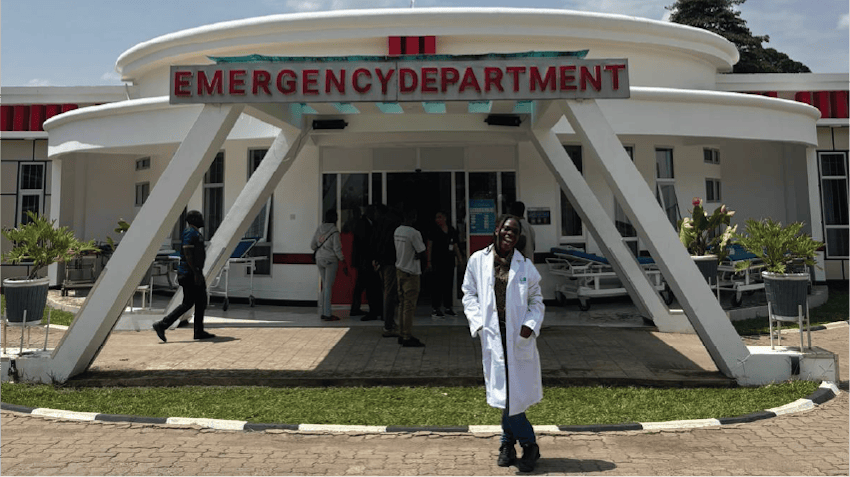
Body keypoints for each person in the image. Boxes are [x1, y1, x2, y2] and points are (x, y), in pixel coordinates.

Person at [461, 214, 545, 472]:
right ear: (497, 229)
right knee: (507, 395)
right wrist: (478, 324)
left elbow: (536, 301)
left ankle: (519, 444)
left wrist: (529, 326)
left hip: (518, 338)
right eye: (506, 229)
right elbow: (469, 294)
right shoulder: (477, 260)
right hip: (493, 337)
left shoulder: (525, 266)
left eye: (515, 231)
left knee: (512, 396)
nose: (510, 234)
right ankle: (513, 443)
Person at [152, 210, 216, 342]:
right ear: (192, 219)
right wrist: (196, 273)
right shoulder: (189, 233)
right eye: (199, 218)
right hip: (190, 273)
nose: (202, 220)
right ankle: (162, 325)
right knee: (188, 303)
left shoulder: (195, 232)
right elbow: (187, 252)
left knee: (201, 301)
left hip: (194, 272)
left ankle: (198, 331)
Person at [393, 208, 427, 347]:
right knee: (409, 305)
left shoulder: (397, 231)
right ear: (412, 218)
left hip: (399, 269)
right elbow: (421, 251)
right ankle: (407, 335)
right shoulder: (414, 233)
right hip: (411, 271)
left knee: (402, 303)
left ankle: (401, 332)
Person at [426, 211, 464, 318]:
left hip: (449, 260)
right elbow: (430, 245)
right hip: (437, 261)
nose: (438, 220)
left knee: (448, 284)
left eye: (440, 217)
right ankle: (436, 307)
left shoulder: (451, 230)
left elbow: (455, 245)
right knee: (437, 284)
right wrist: (428, 261)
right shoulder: (433, 230)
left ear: (445, 218)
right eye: (436, 217)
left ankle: (448, 307)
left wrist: (460, 259)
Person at [372, 203, 402, 337]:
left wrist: (376, 259)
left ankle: (389, 323)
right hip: (391, 261)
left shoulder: (379, 224)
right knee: (390, 293)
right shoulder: (393, 224)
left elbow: (376, 242)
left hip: (383, 262)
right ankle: (388, 325)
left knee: (387, 291)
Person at [312, 209, 345, 321]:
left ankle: (323, 311)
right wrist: (342, 259)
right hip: (330, 260)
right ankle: (327, 314)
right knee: (328, 287)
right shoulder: (334, 231)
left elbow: (312, 245)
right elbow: (337, 248)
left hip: (319, 259)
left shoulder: (319, 229)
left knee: (324, 286)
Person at [349, 204, 381, 321]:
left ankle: (356, 308)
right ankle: (362, 308)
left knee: (361, 285)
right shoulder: (363, 224)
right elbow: (364, 244)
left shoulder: (366, 223)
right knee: (366, 285)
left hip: (363, 261)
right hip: (364, 261)